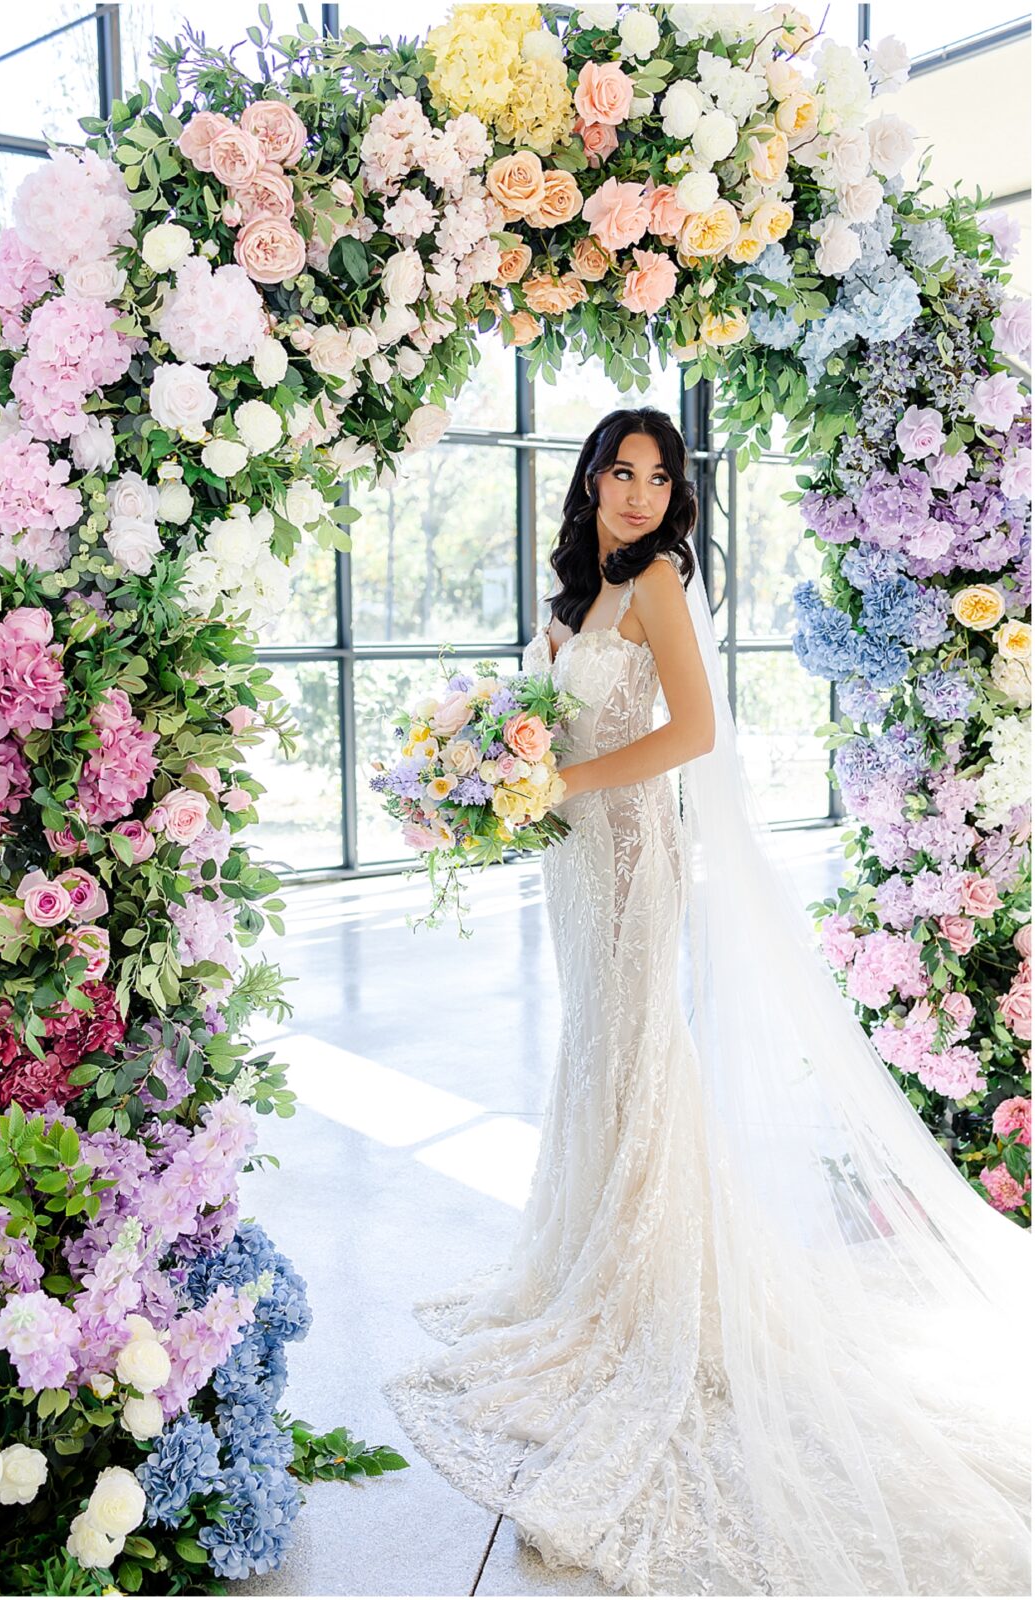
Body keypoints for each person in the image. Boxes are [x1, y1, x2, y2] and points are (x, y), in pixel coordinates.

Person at [382, 408, 1031, 1597]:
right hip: (572, 858)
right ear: (586, 483)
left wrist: (554, 778)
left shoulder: (662, 580)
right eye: (617, 471)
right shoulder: (578, 596)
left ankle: (643, 1282)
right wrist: (489, 776)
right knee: (596, 1048)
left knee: (636, 1048)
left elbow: (692, 729)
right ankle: (586, 1254)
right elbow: (556, 715)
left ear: (677, 494)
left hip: (629, 855)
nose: (636, 491)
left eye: (656, 474)